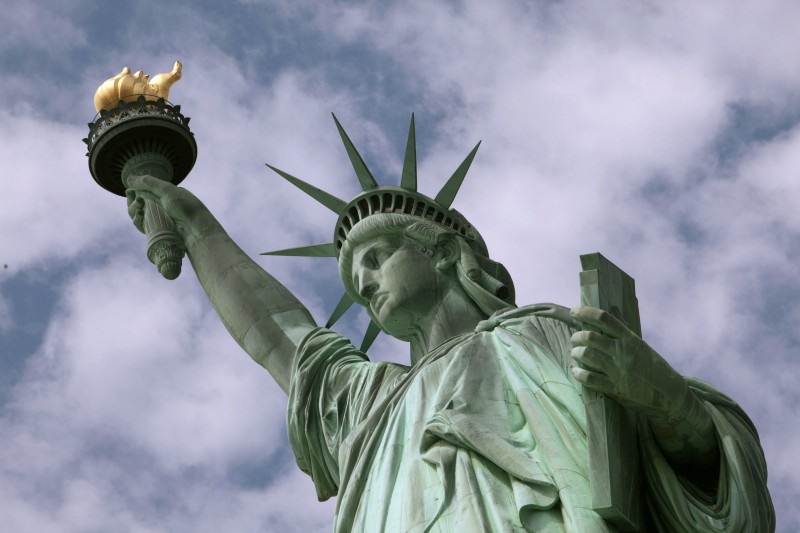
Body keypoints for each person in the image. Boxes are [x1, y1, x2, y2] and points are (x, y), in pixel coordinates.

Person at [125, 120, 774, 532]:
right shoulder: (373, 404)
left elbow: (713, 471)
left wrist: (664, 398)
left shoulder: (547, 335)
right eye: (355, 277)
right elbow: (281, 339)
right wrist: (193, 223)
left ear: (441, 252)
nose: (365, 283)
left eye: (377, 258)